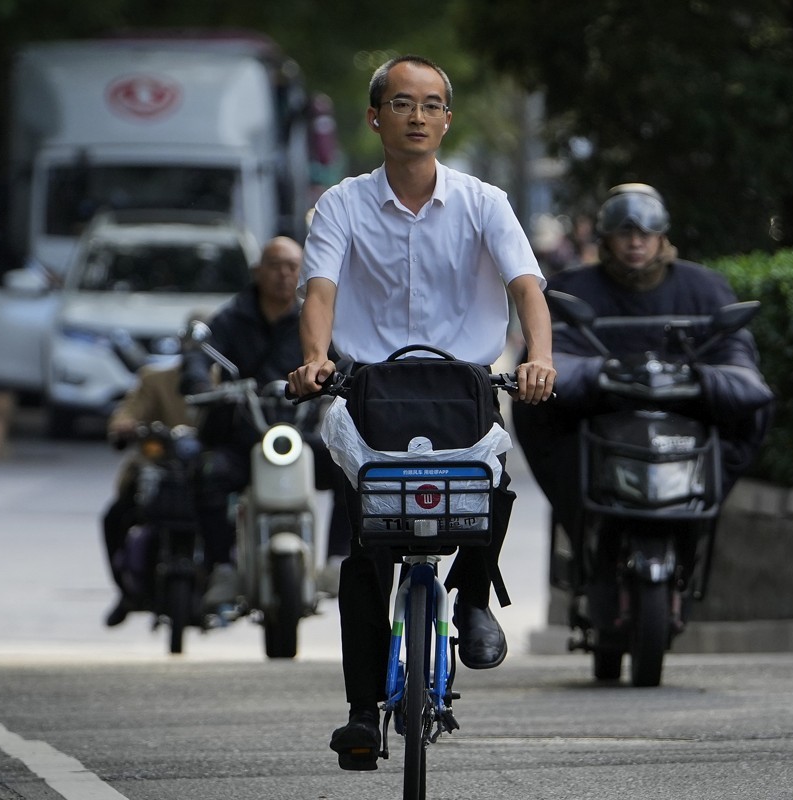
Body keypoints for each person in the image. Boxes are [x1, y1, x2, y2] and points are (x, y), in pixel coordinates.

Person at [284, 54, 554, 769]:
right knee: (365, 548)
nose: (418, 117)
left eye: (432, 105)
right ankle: (361, 713)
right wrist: (316, 361)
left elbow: (527, 286)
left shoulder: (484, 202)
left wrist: (538, 358)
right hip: (367, 392)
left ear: (446, 119)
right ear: (375, 117)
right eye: (402, 104)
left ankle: (469, 600)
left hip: (466, 387)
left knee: (492, 486)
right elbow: (319, 292)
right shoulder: (340, 204)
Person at [513, 183, 774, 559]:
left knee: (755, 410)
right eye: (624, 233)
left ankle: (699, 520)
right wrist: (598, 373)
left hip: (683, 413)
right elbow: (545, 358)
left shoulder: (704, 288)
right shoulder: (572, 290)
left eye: (645, 233)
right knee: (532, 404)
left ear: (661, 237)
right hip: (599, 413)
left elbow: (736, 355)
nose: (635, 242)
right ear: (606, 238)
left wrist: (705, 377)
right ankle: (579, 525)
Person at [181, 236, 350, 605]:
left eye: (292, 267)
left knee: (348, 469)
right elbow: (200, 352)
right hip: (243, 435)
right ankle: (221, 567)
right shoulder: (231, 317)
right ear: (259, 271)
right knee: (207, 472)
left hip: (299, 433)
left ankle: (337, 560)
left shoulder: (314, 319)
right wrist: (196, 377)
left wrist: (346, 377)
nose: (284, 274)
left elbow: (344, 355)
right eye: (275, 266)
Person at [101, 350, 197, 626]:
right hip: (158, 472)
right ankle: (126, 590)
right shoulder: (156, 380)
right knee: (114, 518)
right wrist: (125, 425)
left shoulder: (230, 380)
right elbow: (127, 413)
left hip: (209, 473)